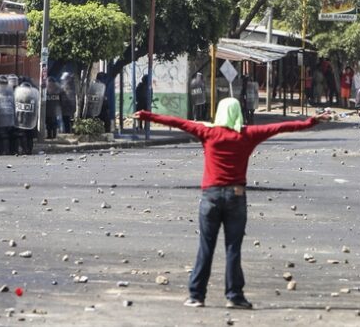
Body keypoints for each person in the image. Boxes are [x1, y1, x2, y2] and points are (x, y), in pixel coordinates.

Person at [134, 98, 329, 309]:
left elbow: (177, 122)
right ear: (238, 113)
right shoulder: (247, 135)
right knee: (233, 248)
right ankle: (234, 295)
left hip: (210, 197)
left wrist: (146, 115)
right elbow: (281, 127)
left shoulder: (208, 133)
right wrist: (311, 122)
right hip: (236, 196)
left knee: (206, 248)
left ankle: (196, 295)